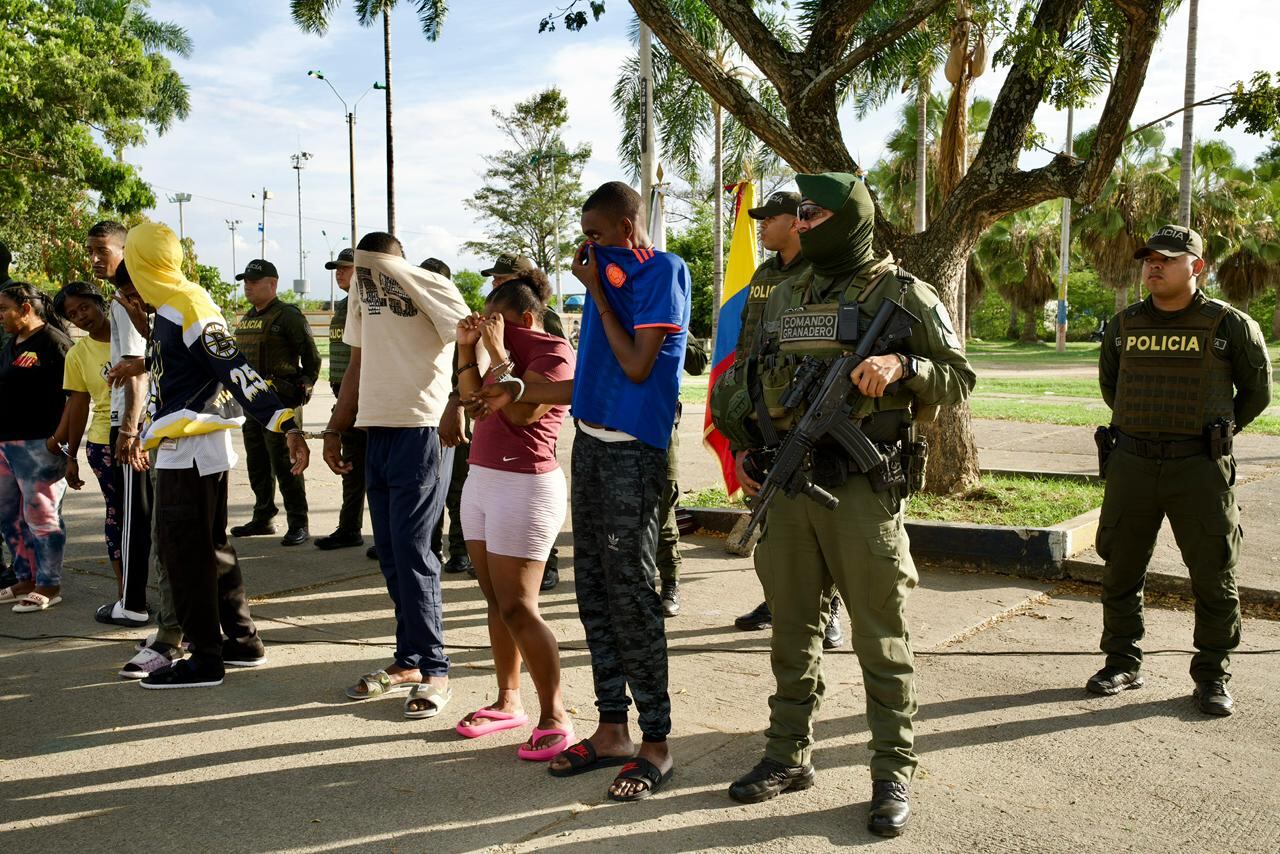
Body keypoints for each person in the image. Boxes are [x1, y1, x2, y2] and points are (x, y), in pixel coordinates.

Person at [711, 173, 975, 836]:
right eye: (796, 214)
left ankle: (891, 772)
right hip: (788, 484)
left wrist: (903, 368)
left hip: (860, 489)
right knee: (793, 632)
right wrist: (746, 444)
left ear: (851, 217)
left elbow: (959, 376)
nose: (799, 224)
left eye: (812, 213)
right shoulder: (782, 291)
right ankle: (786, 756)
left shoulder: (903, 292)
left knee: (880, 639)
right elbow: (749, 373)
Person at [469, 181, 690, 802]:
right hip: (591, 446)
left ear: (626, 224)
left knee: (631, 596)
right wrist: (521, 392)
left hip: (632, 454)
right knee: (593, 591)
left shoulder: (660, 272)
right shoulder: (604, 282)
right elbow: (589, 384)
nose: (586, 247)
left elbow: (639, 366)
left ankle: (657, 743)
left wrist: (596, 287)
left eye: (596, 234)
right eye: (584, 235)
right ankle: (612, 729)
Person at [1088, 224, 1272, 716]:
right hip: (1131, 464)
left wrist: (1213, 433)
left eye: (1167, 259)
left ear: (1196, 266)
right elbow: (1114, 390)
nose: (1154, 265)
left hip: (1200, 468)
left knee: (1214, 574)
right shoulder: (1124, 324)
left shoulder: (1229, 324)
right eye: (1149, 258)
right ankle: (1122, 661)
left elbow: (1256, 394)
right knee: (1121, 568)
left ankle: (1213, 675)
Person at [119, 222, 310, 689]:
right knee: (210, 547)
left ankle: (204, 659)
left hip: (193, 446)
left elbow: (233, 366)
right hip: (184, 442)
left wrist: (285, 422)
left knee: (183, 553)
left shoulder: (188, 304)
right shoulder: (167, 306)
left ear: (144, 261)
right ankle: (241, 641)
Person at [323, 232, 470, 719]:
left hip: (422, 431)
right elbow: (357, 366)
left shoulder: (434, 288)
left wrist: (457, 403)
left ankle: (435, 669)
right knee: (389, 552)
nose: (363, 275)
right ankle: (407, 661)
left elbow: (475, 345)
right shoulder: (363, 296)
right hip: (377, 433)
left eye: (371, 266)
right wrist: (334, 428)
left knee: (414, 551)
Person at [452, 273, 576, 760]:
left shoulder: (551, 352)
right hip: (482, 479)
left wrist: (499, 354)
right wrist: (467, 352)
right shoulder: (492, 350)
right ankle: (508, 700)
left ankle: (555, 715)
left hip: (525, 486)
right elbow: (471, 403)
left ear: (525, 318)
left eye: (496, 322)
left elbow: (524, 414)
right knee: (495, 602)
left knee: (520, 607)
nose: (488, 330)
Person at [729, 190, 843, 649]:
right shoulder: (763, 274)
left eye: (768, 218)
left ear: (796, 223)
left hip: (811, 406)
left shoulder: (819, 274)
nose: (760, 225)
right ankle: (777, 599)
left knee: (818, 518)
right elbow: (746, 343)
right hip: (765, 404)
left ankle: (828, 608)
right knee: (771, 508)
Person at [50, 282, 139, 621]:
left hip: (145, 441)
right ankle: (125, 592)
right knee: (117, 515)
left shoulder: (134, 337)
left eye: (83, 307)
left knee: (150, 518)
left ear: (99, 303)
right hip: (105, 447)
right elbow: (78, 405)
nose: (80, 317)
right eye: (71, 315)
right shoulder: (78, 354)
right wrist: (71, 456)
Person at [481, 252, 567, 590]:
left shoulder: (548, 329)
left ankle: (547, 561)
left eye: (502, 279)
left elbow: (527, 410)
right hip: (494, 456)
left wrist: (499, 355)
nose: (496, 284)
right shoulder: (499, 320)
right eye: (495, 280)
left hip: (530, 454)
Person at [86, 221, 155, 628]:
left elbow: (135, 371)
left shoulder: (129, 298)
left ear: (125, 250)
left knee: (133, 517)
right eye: (90, 251)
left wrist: (129, 430)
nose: (95, 259)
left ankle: (132, 604)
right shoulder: (130, 296)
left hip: (131, 423)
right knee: (137, 514)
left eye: (102, 250)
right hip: (141, 421)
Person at [229, 259, 320, 547]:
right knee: (257, 463)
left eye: (254, 282)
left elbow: (312, 355)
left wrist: (306, 382)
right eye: (246, 282)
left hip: (280, 402)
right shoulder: (246, 319)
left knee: (286, 462)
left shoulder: (288, 315)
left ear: (272, 284)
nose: (248, 287)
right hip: (252, 403)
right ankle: (263, 516)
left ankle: (298, 522)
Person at [0, 282, 71, 612]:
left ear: (25, 308)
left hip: (39, 446)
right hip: (6, 445)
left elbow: (76, 396)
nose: (0, 316)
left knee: (41, 515)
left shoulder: (54, 343)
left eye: (3, 309)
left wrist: (61, 443)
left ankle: (48, 583)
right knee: (9, 517)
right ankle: (25, 576)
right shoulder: (11, 343)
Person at [315, 248, 368, 552]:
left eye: (345, 268)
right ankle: (349, 528)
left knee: (372, 471)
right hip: (344, 399)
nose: (339, 273)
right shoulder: (343, 306)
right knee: (350, 469)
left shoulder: (367, 306)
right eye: (337, 269)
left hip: (365, 400)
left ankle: (382, 536)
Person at [422, 257, 473, 576]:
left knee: (457, 488)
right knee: (430, 487)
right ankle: (431, 547)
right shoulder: (415, 318)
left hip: (458, 416)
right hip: (427, 416)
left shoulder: (461, 319)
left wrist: (458, 406)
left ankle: (461, 551)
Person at [654, 337, 708, 617]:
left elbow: (699, 363)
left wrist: (671, 332)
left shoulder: (666, 308)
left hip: (661, 426)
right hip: (619, 424)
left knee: (664, 505)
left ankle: (670, 582)